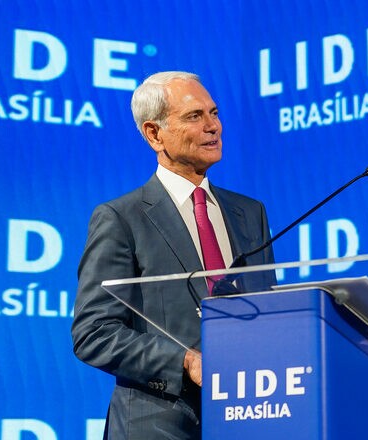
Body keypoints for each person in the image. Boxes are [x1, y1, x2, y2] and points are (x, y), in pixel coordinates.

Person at [71, 71, 277, 440]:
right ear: (154, 134)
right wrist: (184, 361)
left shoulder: (251, 212)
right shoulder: (121, 218)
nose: (213, 126)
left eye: (214, 113)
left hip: (248, 418)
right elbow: (94, 333)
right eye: (194, 117)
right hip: (159, 424)